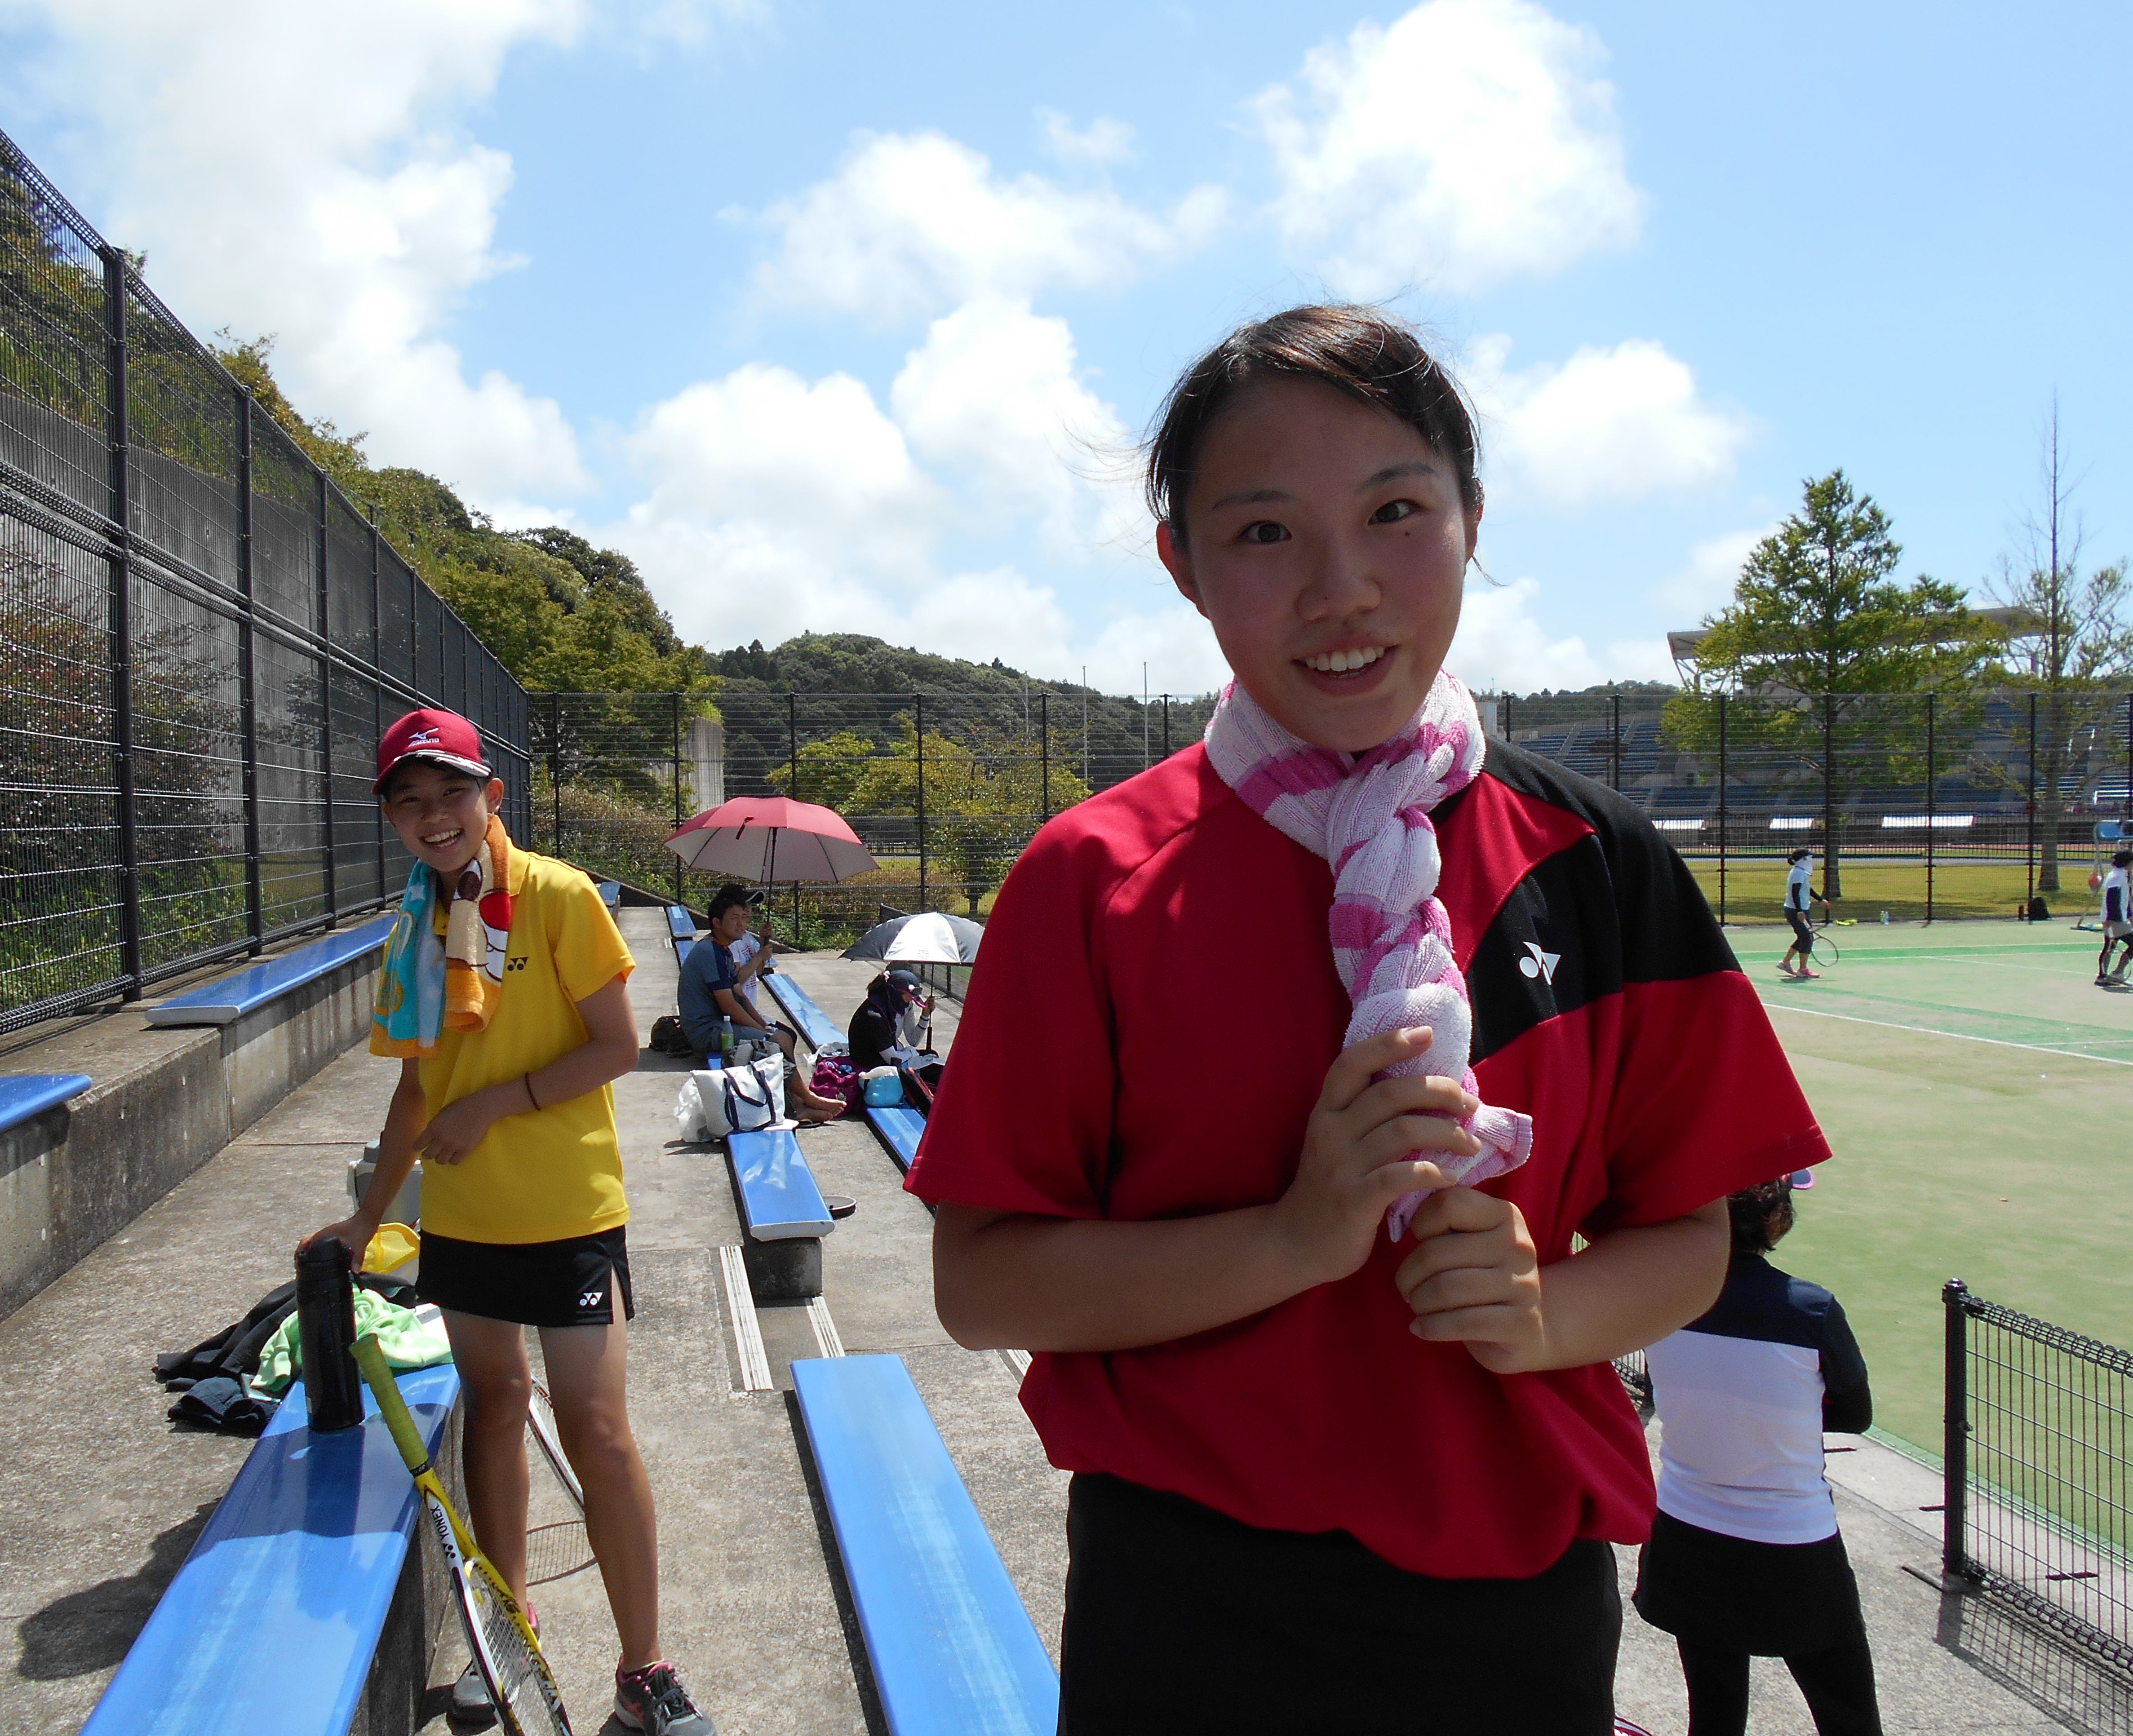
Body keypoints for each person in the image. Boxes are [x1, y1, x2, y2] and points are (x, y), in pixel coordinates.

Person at [907, 305, 1830, 1733]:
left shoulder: (1597, 861)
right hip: (1184, 1603)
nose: (1343, 589)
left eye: (1395, 510)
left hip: (1513, 1607)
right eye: (1264, 532)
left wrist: (1541, 1312)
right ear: (1185, 567)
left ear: (1469, 519)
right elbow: (985, 1285)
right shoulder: (1091, 878)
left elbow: (1688, 1236)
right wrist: (1293, 1235)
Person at [303, 707, 717, 1736]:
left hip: (571, 1211)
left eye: (451, 795)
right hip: (466, 1220)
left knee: (599, 1431)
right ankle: (511, 1625)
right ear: (394, 820)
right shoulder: (412, 928)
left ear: (492, 796)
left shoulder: (560, 897)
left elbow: (615, 1046)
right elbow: (412, 1095)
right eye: (412, 802)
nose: (434, 818)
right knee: (494, 1408)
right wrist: (363, 1223)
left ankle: (643, 1672)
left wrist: (497, 1102)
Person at [1633, 1178, 1880, 1735]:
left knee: (1715, 1719)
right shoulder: (1811, 1309)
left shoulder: (1659, 1297)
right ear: (1775, 1220)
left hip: (1685, 1536)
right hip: (1794, 1551)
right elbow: (1854, 1414)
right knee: (1848, 1716)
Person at [675, 886, 844, 1120]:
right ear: (716, 922)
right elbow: (729, 1005)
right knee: (773, 1043)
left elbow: (740, 996)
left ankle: (796, 1101)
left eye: (744, 919)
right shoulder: (708, 952)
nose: (742, 925)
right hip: (708, 1031)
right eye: (735, 919)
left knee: (785, 1035)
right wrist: (761, 1031)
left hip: (721, 1023)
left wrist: (763, 1024)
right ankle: (805, 1100)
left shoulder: (722, 951)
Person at [847, 968, 944, 1097]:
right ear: (895, 994)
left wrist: (925, 1015)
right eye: (908, 998)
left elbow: (913, 1040)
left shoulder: (894, 1005)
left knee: (931, 1055)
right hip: (873, 1066)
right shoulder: (875, 1016)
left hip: (889, 1055)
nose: (910, 1003)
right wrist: (910, 1052)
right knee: (937, 1072)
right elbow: (893, 1060)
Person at [1781, 846, 1829, 979]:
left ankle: (1786, 963)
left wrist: (1821, 900)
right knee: (1808, 938)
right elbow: (1795, 892)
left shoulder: (1800, 872)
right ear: (1804, 859)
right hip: (1796, 911)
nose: (1811, 860)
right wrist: (1800, 911)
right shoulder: (1798, 873)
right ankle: (1803, 969)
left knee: (1804, 937)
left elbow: (1807, 889)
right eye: (1809, 857)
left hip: (1797, 910)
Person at [2095, 849, 2131, 986]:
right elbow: (2112, 898)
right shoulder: (2117, 877)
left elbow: (2123, 899)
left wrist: (2130, 915)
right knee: (2111, 946)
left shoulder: (2121, 875)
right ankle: (2116, 973)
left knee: (2109, 947)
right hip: (2115, 920)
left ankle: (2104, 976)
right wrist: (2111, 919)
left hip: (2116, 918)